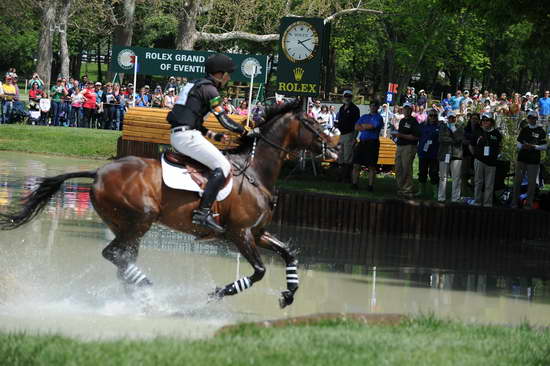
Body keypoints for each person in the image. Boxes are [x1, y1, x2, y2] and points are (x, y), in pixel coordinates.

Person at [166, 54, 250, 233]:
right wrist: (245, 132)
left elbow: (191, 119)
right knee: (223, 166)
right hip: (187, 137)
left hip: (181, 134)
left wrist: (214, 136)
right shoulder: (211, 90)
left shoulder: (195, 84)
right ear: (219, 74)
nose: (229, 78)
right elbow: (224, 120)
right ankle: (203, 213)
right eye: (228, 74)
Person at [511, 111, 547, 209]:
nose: (532, 119)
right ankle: (514, 203)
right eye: (530, 117)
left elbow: (545, 146)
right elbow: (518, 144)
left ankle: (529, 204)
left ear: (537, 119)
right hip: (522, 159)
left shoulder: (541, 131)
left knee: (532, 183)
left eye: (534, 117)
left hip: (534, 160)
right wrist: (523, 146)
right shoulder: (524, 129)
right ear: (528, 118)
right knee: (517, 181)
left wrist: (534, 147)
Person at [470, 113, 502, 207]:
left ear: (491, 122)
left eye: (487, 120)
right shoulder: (477, 131)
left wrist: (497, 155)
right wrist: (475, 156)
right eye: (483, 120)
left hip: (491, 162)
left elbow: (500, 146)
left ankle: (487, 203)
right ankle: (477, 202)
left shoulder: (496, 133)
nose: (485, 122)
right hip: (479, 160)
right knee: (478, 182)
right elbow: (471, 145)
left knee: (489, 184)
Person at [351, 101, 383, 191]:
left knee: (371, 165)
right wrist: (365, 126)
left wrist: (363, 126)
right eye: (371, 105)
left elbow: (372, 126)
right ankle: (354, 184)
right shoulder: (364, 116)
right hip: (362, 142)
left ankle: (370, 186)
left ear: (377, 107)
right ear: (369, 106)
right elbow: (356, 127)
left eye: (375, 105)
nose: (373, 107)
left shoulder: (378, 117)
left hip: (372, 143)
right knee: (356, 164)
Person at [391, 103, 420, 198]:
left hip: (409, 147)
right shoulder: (402, 121)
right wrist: (397, 135)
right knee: (398, 168)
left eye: (408, 109)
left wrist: (401, 135)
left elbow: (415, 137)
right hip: (400, 146)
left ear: (411, 110)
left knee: (406, 168)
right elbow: (400, 133)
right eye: (404, 109)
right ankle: (400, 188)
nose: (406, 110)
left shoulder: (414, 121)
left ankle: (408, 190)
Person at [438, 112, 464, 202]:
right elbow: (441, 138)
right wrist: (453, 140)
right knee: (442, 177)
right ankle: (441, 197)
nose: (452, 119)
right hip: (444, 154)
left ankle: (455, 198)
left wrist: (453, 130)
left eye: (453, 118)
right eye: (450, 118)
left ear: (456, 118)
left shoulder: (459, 127)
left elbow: (459, 139)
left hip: (456, 155)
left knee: (456, 178)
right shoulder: (443, 127)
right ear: (447, 118)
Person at [335, 90, 361, 183]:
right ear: (343, 97)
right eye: (346, 96)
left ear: (351, 97)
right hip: (341, 134)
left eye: (349, 96)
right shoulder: (341, 108)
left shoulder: (355, 109)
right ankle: (340, 176)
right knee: (340, 156)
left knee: (348, 157)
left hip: (350, 134)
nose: (347, 98)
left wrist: (355, 137)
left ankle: (347, 178)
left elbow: (357, 124)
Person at [417, 109, 440, 199]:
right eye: (431, 115)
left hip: (434, 154)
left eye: (435, 115)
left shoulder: (440, 126)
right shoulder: (422, 125)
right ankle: (421, 191)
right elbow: (416, 135)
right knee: (422, 172)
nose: (433, 117)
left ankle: (436, 192)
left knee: (434, 173)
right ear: (428, 116)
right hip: (423, 153)